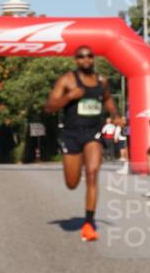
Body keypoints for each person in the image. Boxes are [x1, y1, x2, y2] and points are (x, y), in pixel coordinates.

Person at [43, 46, 122, 242]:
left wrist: (116, 115)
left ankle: (88, 223)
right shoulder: (67, 80)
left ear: (93, 59)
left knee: (93, 173)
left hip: (93, 133)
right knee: (72, 183)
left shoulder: (101, 81)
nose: (86, 59)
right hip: (71, 135)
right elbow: (49, 107)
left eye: (89, 56)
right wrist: (69, 96)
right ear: (76, 60)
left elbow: (108, 99)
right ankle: (86, 216)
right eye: (81, 57)